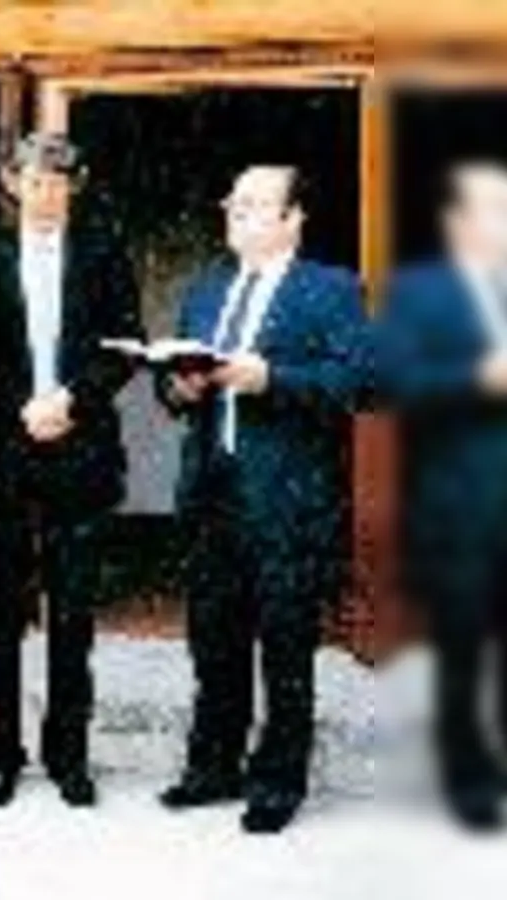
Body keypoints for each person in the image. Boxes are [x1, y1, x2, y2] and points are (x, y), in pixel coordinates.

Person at [157, 165, 365, 834]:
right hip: (212, 490)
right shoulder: (207, 288)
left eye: (252, 203)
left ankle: (278, 781)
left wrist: (270, 377)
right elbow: (175, 390)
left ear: (292, 217)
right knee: (213, 640)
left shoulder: (331, 290)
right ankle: (212, 767)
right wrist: (179, 391)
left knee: (284, 643)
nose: (235, 212)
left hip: (287, 497)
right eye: (232, 200)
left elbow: (359, 382)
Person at [0, 134, 144, 809]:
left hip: (80, 449)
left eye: (60, 182)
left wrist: (71, 400)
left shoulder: (102, 254)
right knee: (0, 615)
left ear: (74, 186)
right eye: (35, 181)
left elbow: (124, 347)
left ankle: (70, 756)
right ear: (11, 183)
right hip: (2, 456)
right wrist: (22, 408)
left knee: (73, 611)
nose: (47, 194)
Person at [379, 160, 507, 832]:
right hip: (460, 507)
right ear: (459, 221)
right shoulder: (421, 292)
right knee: (462, 653)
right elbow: (399, 382)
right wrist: (477, 377)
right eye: (492, 209)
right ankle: (469, 778)